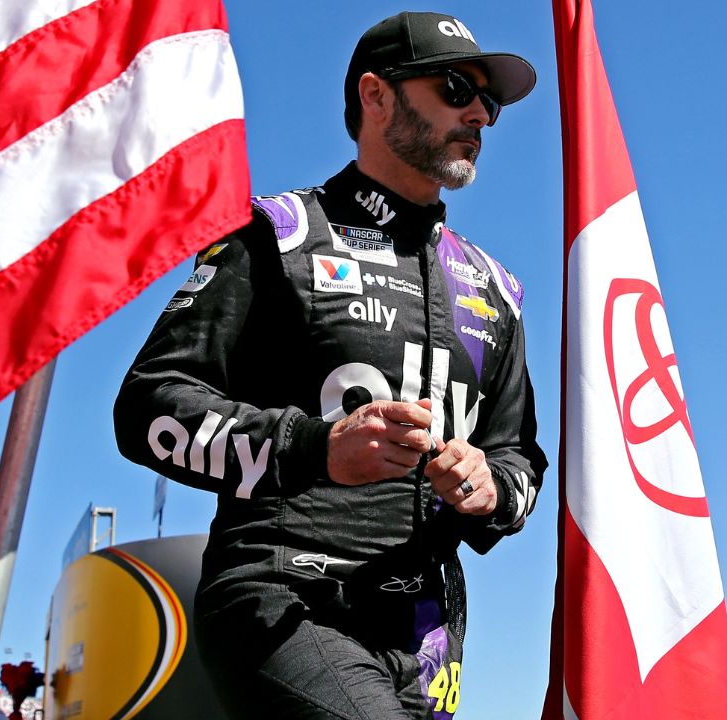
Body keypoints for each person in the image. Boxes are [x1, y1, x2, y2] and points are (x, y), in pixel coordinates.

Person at [114, 11, 547, 719]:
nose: (479, 114)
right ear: (376, 97)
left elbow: (519, 457)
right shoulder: (276, 236)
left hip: (428, 634)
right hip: (285, 598)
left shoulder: (494, 287)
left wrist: (488, 486)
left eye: (488, 101)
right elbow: (147, 406)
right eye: (453, 87)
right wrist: (314, 447)